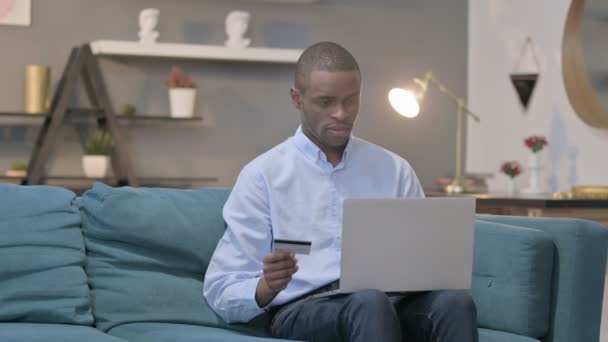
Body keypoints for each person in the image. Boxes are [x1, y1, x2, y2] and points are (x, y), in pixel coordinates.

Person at [203, 41, 478, 342]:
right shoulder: (262, 176)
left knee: (455, 302)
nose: (341, 113)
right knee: (368, 302)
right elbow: (221, 290)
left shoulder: (394, 169)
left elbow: (423, 263)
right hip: (303, 307)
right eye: (326, 102)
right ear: (297, 99)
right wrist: (267, 286)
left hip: (389, 302)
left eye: (351, 100)